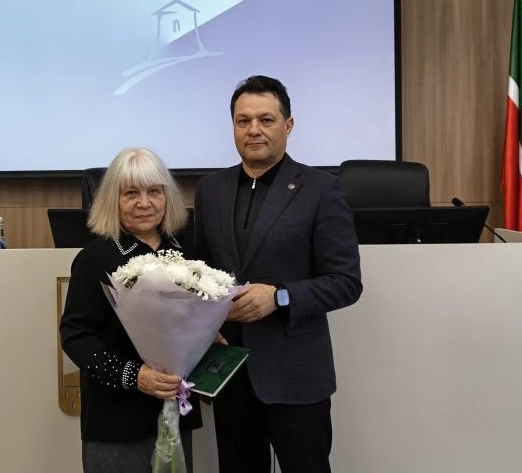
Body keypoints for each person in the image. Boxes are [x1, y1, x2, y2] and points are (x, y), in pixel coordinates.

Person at [193, 75, 363, 473]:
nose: (254, 129)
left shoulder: (321, 189)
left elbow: (346, 282)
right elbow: (198, 272)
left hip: (296, 376)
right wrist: (202, 323)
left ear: (288, 125)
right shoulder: (210, 190)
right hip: (228, 371)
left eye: (266, 120)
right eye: (243, 120)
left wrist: (279, 297)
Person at [60, 147, 200, 473]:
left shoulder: (187, 252)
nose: (144, 203)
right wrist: (134, 376)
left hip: (176, 411)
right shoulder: (95, 258)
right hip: (117, 420)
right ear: (113, 200)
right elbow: (76, 336)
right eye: (131, 194)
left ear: (167, 197)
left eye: (154, 192)